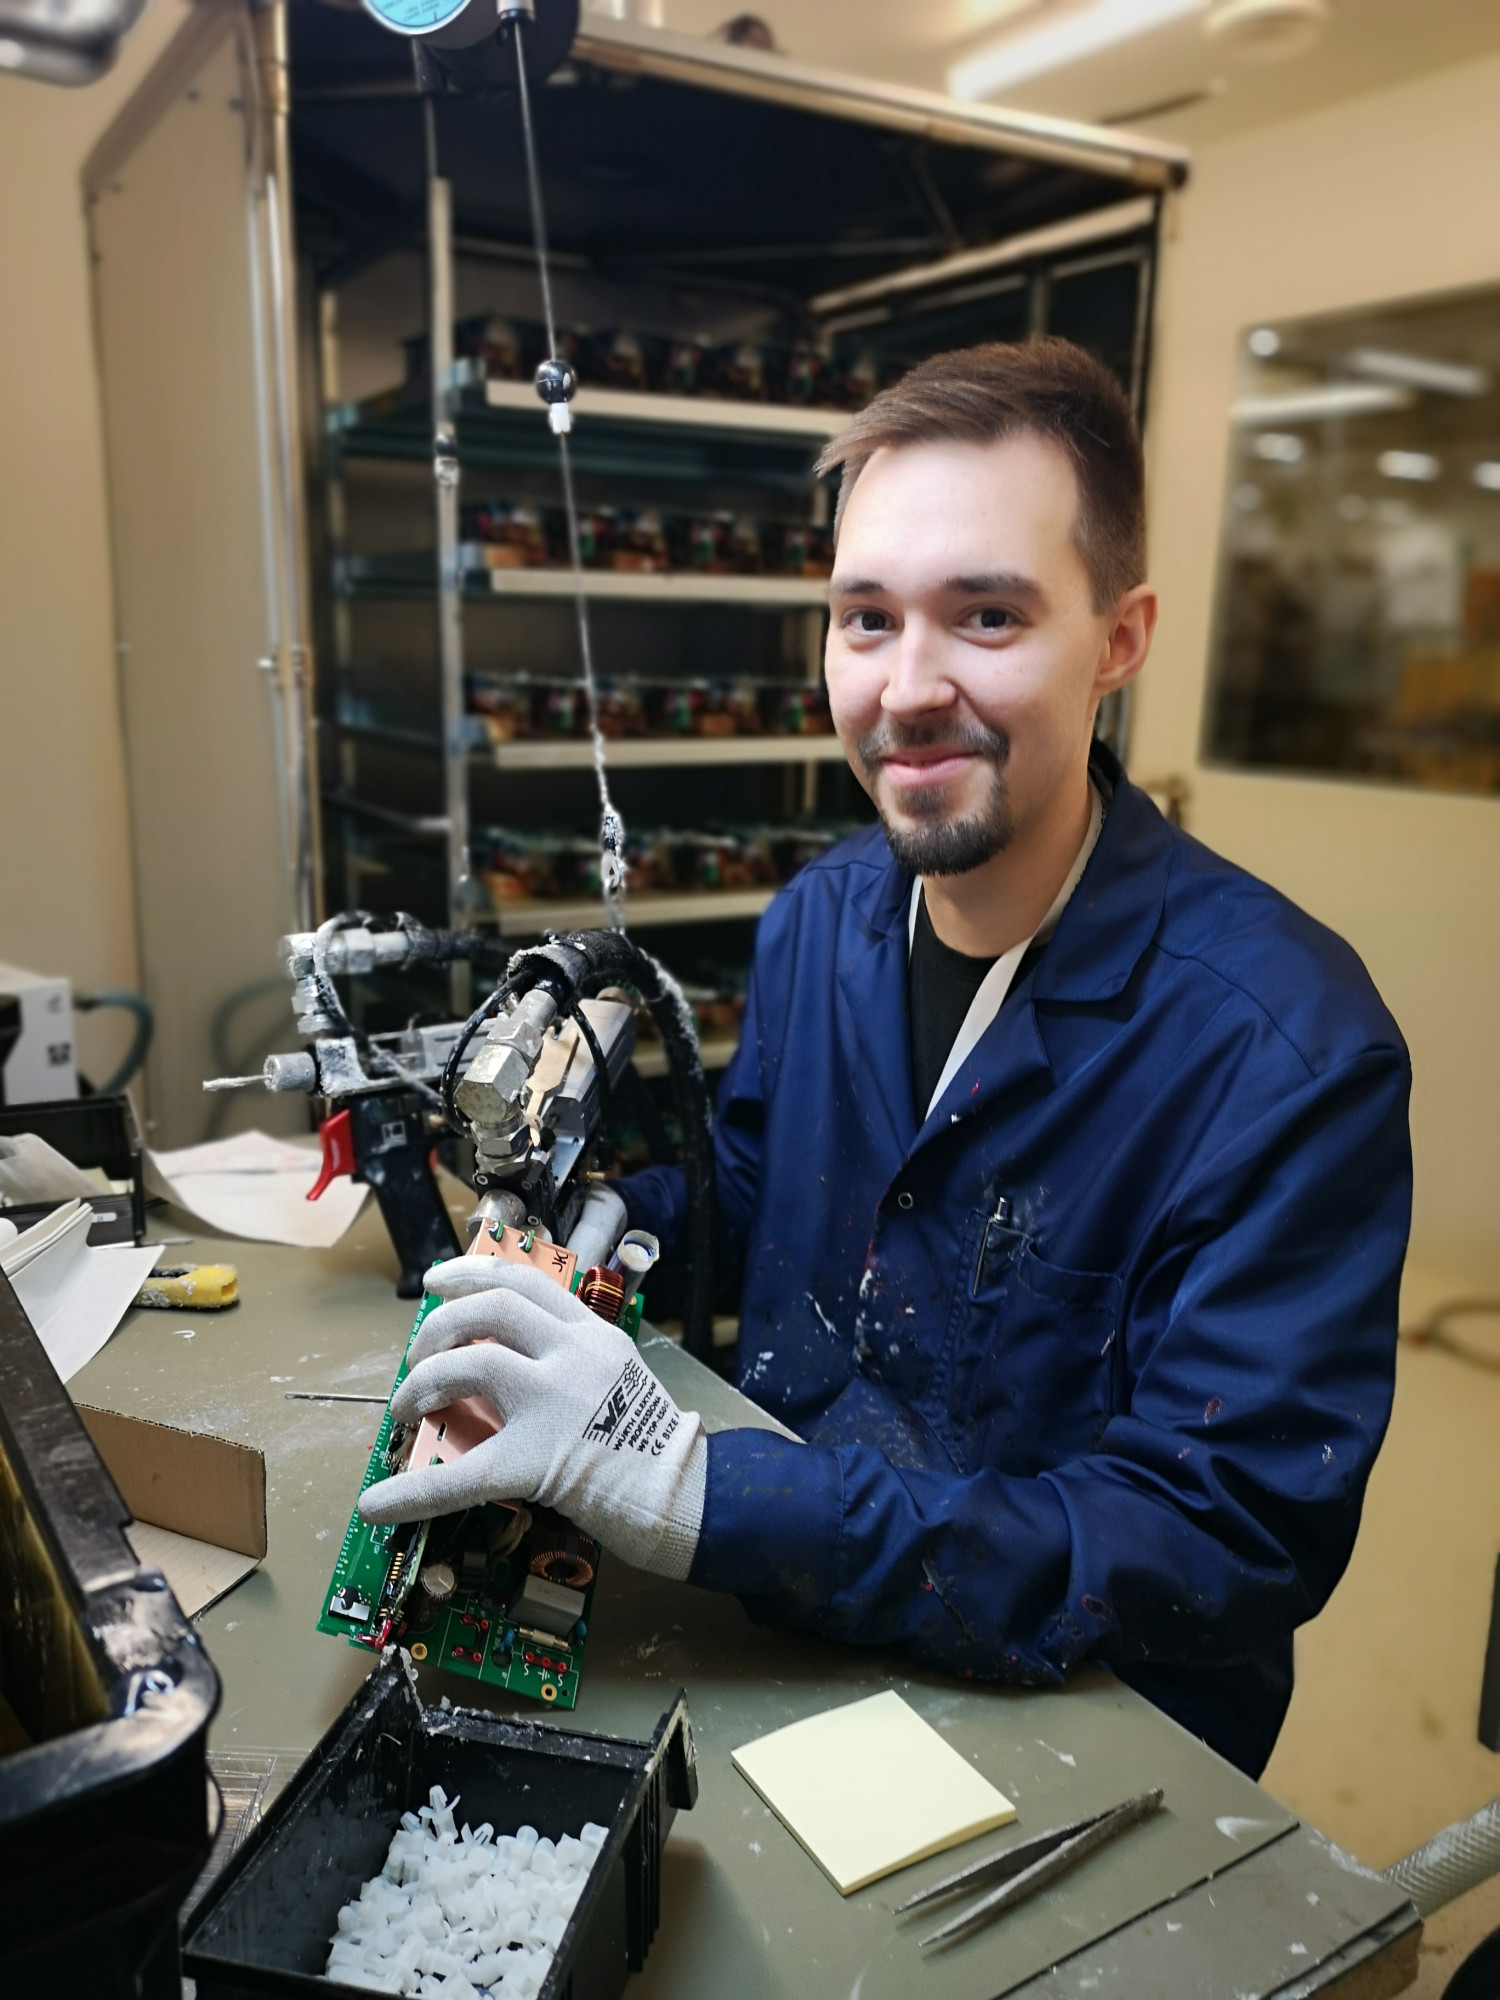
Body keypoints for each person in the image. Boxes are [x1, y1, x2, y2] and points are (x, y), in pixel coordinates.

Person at [361, 339, 1411, 1779]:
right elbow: (766, 1176)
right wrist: (610, 1237)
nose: (907, 689)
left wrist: (698, 1492)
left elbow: (1222, 1532)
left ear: (1119, 637)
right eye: (866, 619)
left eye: (986, 615)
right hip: (781, 1638)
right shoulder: (822, 920)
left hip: (1085, 1734)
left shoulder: (1285, 1051)